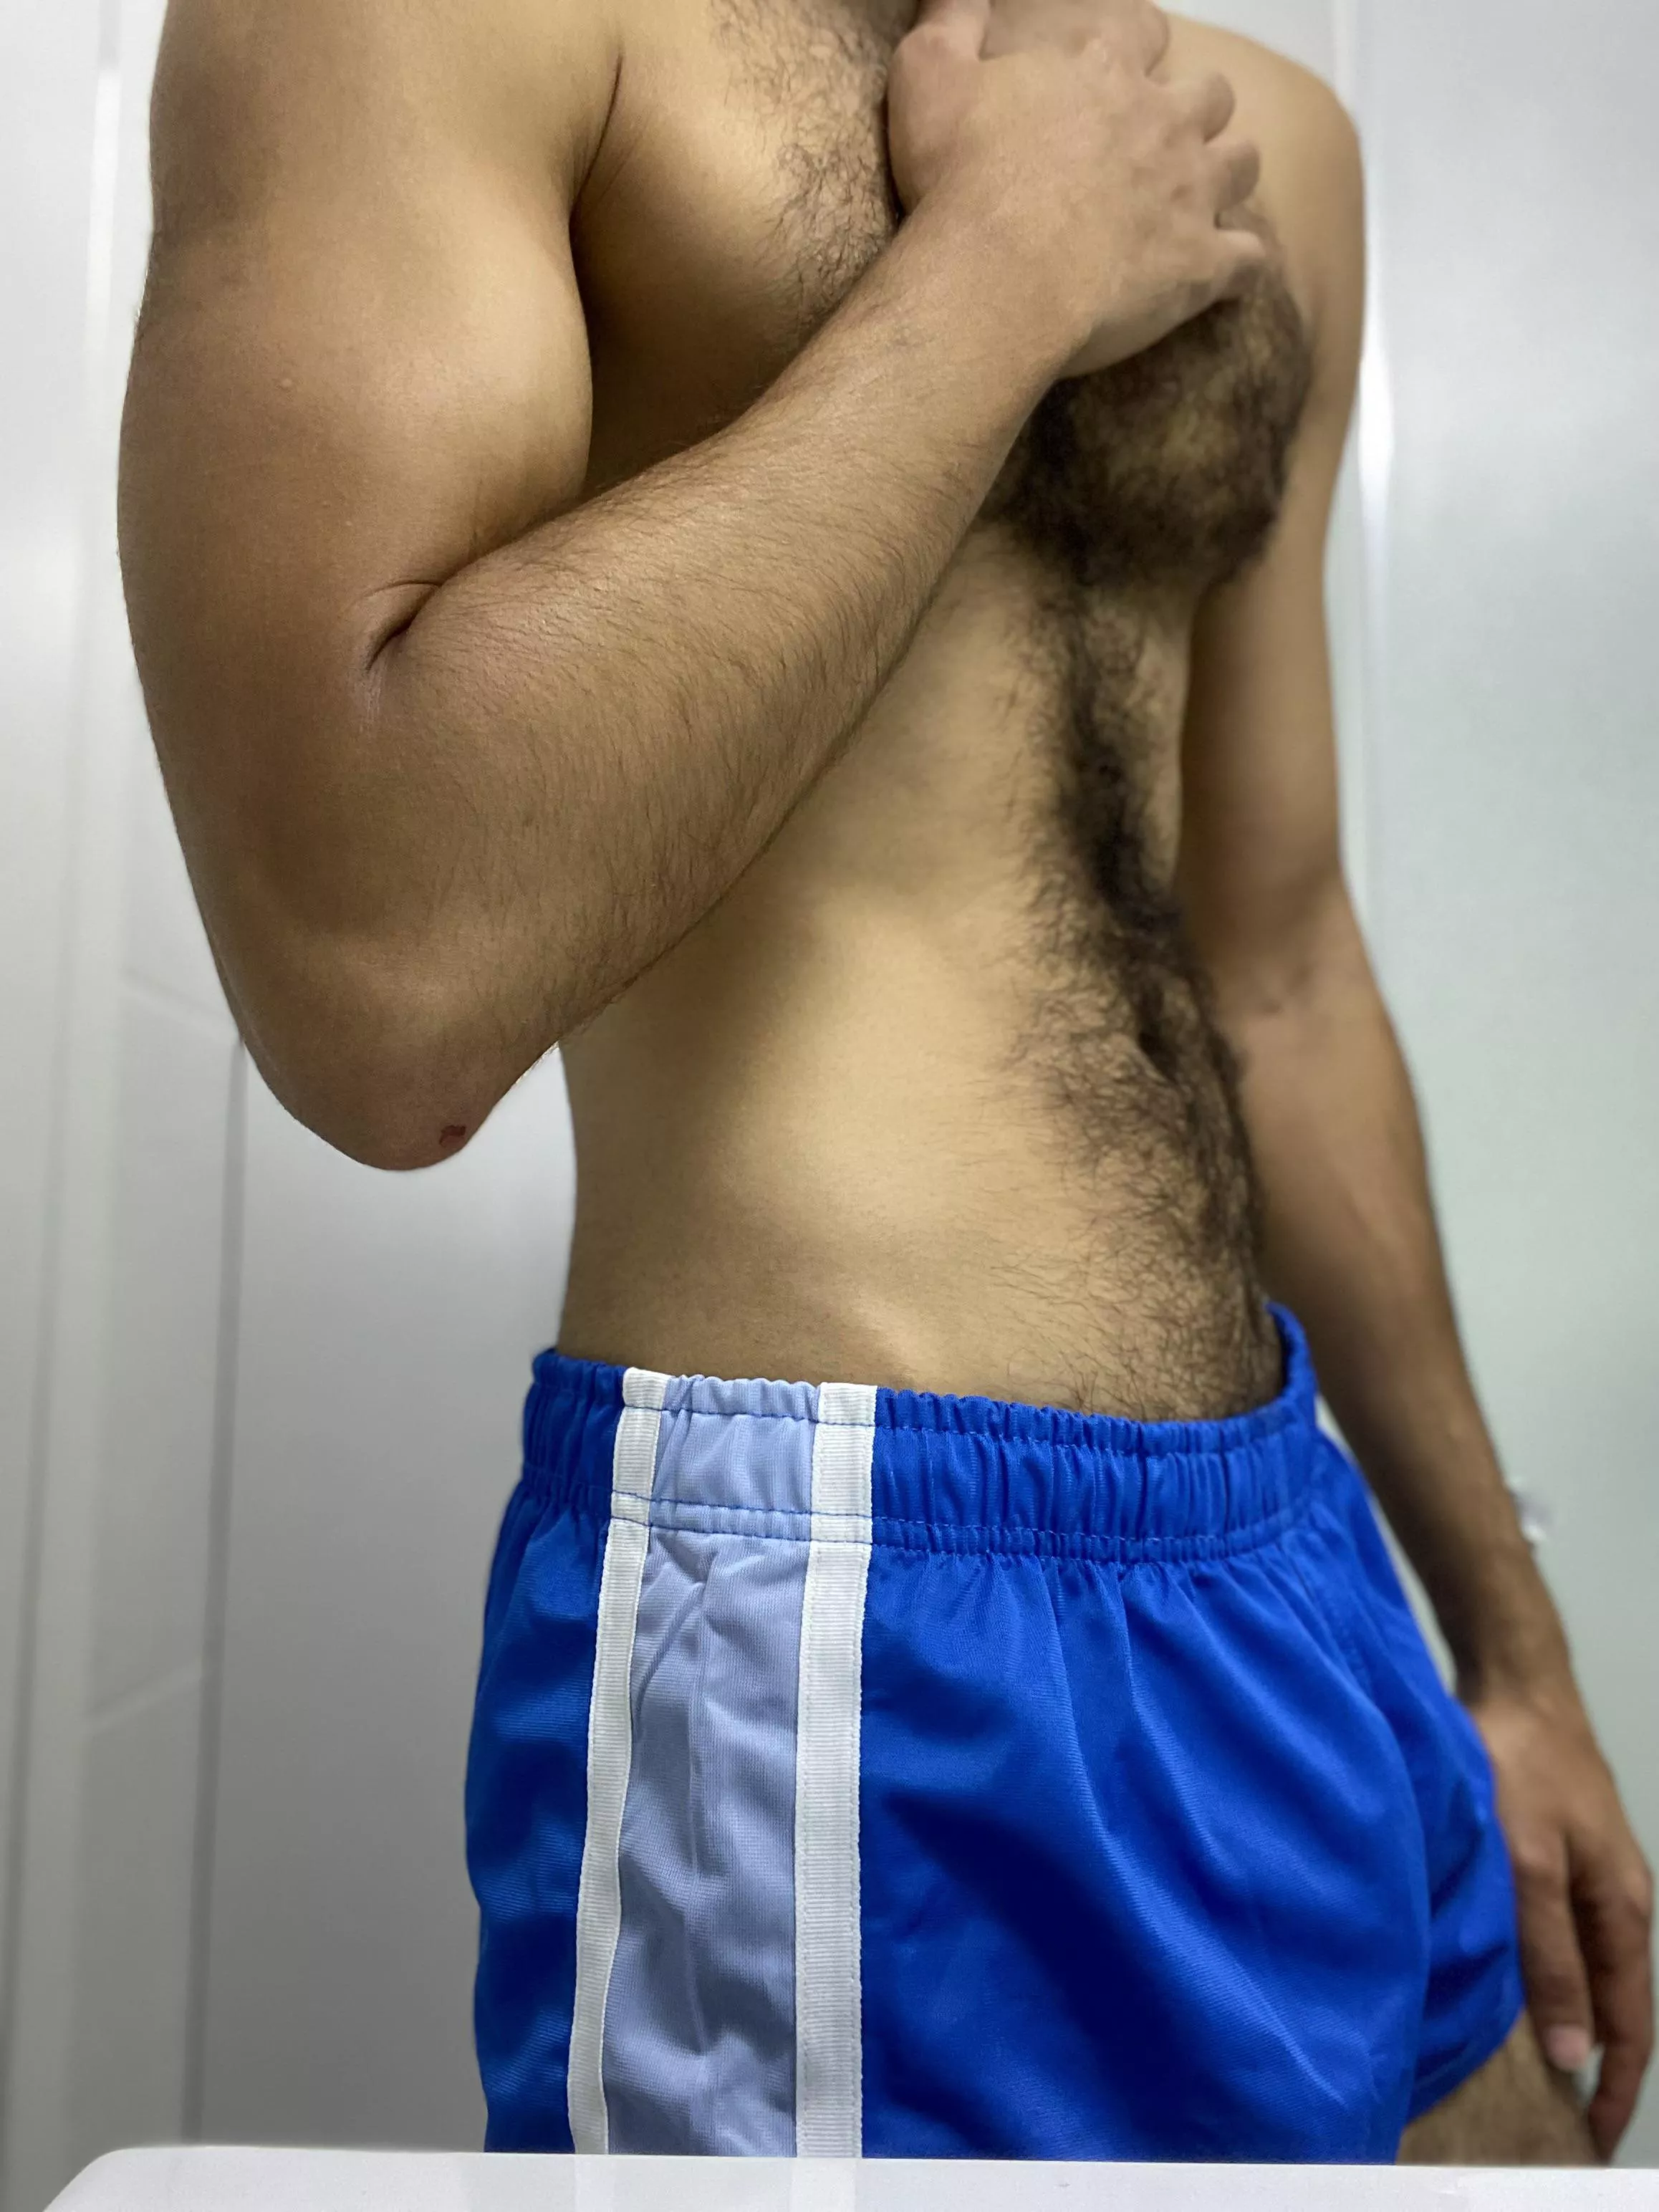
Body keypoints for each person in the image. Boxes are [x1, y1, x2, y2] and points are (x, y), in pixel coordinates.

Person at [117, 0, 1651, 2166]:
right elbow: (373, 985)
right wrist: (1001, 274)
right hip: (845, 1611)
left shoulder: (1266, 141)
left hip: (1287, 1547)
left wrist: (1510, 1649)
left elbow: (1283, 966)